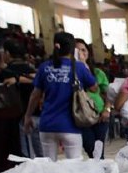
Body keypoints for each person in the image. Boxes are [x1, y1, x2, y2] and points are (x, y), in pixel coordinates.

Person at [23, 32, 97, 161]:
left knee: (49, 166)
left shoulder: (44, 67)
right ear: (73, 48)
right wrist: (84, 64)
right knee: (74, 166)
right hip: (70, 126)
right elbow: (94, 88)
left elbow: (35, 95)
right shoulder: (79, 67)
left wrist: (28, 116)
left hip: (47, 125)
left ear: (55, 46)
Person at [0, 39, 42, 158]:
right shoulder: (31, 69)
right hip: (39, 115)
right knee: (42, 155)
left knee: (27, 156)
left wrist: (17, 79)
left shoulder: (6, 73)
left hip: (22, 118)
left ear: (7, 53)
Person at [74, 39, 110, 159]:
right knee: (90, 147)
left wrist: (107, 109)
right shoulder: (69, 72)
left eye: (83, 50)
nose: (81, 53)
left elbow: (107, 93)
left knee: (99, 150)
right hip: (81, 116)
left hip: (99, 115)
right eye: (77, 50)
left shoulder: (98, 72)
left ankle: (101, 169)